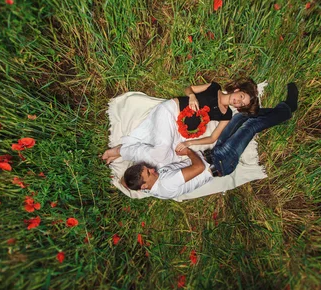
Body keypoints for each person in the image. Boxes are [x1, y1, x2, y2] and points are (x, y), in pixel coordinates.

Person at [122, 83, 299, 200]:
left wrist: (123, 171)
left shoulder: (145, 185)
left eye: (147, 168)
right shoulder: (166, 183)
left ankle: (270, 111)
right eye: (149, 173)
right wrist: (188, 150)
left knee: (240, 118)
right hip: (221, 162)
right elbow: (198, 167)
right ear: (145, 185)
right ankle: (287, 109)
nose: (152, 169)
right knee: (251, 125)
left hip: (213, 153)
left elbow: (128, 182)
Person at [101, 79, 259, 168]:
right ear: (237, 90)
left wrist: (189, 142)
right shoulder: (214, 87)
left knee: (169, 160)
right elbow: (188, 88)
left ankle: (124, 150)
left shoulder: (227, 115)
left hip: (179, 131)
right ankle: (120, 151)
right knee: (161, 152)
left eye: (241, 104)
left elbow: (212, 138)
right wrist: (191, 96)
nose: (238, 101)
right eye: (241, 96)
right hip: (170, 112)